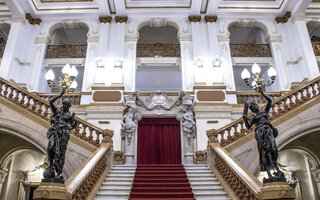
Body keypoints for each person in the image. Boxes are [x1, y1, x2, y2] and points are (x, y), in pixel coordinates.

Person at [243, 88, 285, 182]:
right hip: (260, 133)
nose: (254, 107)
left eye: (254, 106)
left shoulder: (264, 111)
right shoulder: (254, 117)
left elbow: (270, 101)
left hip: (268, 131)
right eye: (252, 107)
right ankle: (270, 173)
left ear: (257, 106)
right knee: (264, 152)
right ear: (252, 110)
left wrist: (262, 93)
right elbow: (248, 126)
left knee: (274, 150)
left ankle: (276, 167)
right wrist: (245, 111)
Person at [43, 90, 77, 180]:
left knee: (61, 153)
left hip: (63, 134)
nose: (65, 107)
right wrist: (60, 95)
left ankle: (58, 172)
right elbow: (50, 102)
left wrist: (73, 119)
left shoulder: (68, 116)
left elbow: (74, 125)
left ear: (69, 107)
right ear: (63, 105)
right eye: (64, 105)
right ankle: (51, 164)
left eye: (67, 106)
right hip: (54, 131)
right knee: (50, 148)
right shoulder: (57, 112)